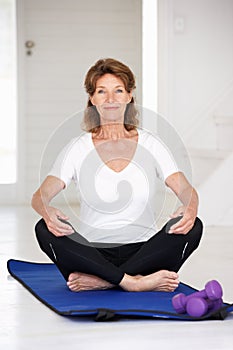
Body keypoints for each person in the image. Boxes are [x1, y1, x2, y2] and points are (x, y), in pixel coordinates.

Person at [31, 58, 203, 293]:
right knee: (43, 227)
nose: (111, 100)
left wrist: (191, 207)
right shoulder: (77, 148)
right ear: (92, 99)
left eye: (118, 91)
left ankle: (105, 281)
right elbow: (40, 195)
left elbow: (185, 189)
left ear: (130, 95)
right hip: (93, 253)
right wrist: (47, 210)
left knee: (194, 226)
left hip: (145, 250)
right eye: (102, 91)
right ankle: (134, 281)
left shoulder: (151, 143)